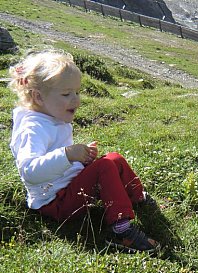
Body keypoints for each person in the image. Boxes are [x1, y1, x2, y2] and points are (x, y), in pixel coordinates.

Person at [8, 49, 160, 253]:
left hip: (66, 188)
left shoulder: (50, 117)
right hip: (54, 202)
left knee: (113, 159)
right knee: (105, 166)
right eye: (66, 94)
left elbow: (58, 159)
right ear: (39, 97)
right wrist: (68, 155)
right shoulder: (32, 129)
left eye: (77, 92)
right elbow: (30, 171)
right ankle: (120, 232)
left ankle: (137, 197)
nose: (76, 100)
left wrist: (81, 159)